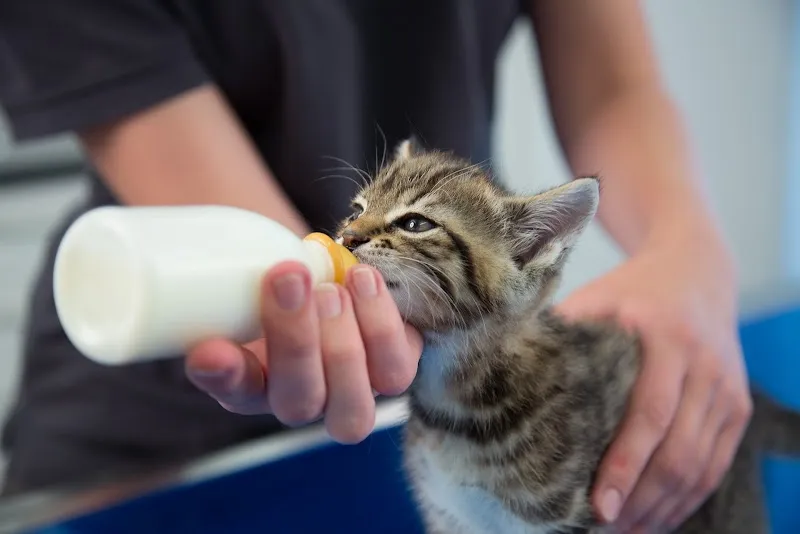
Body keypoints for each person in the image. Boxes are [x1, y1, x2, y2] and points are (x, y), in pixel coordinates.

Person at [0, 1, 750, 531]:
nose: (356, 227)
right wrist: (325, 305)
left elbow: (614, 87)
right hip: (150, 420)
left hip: (422, 371)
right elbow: (290, 275)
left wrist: (689, 251)